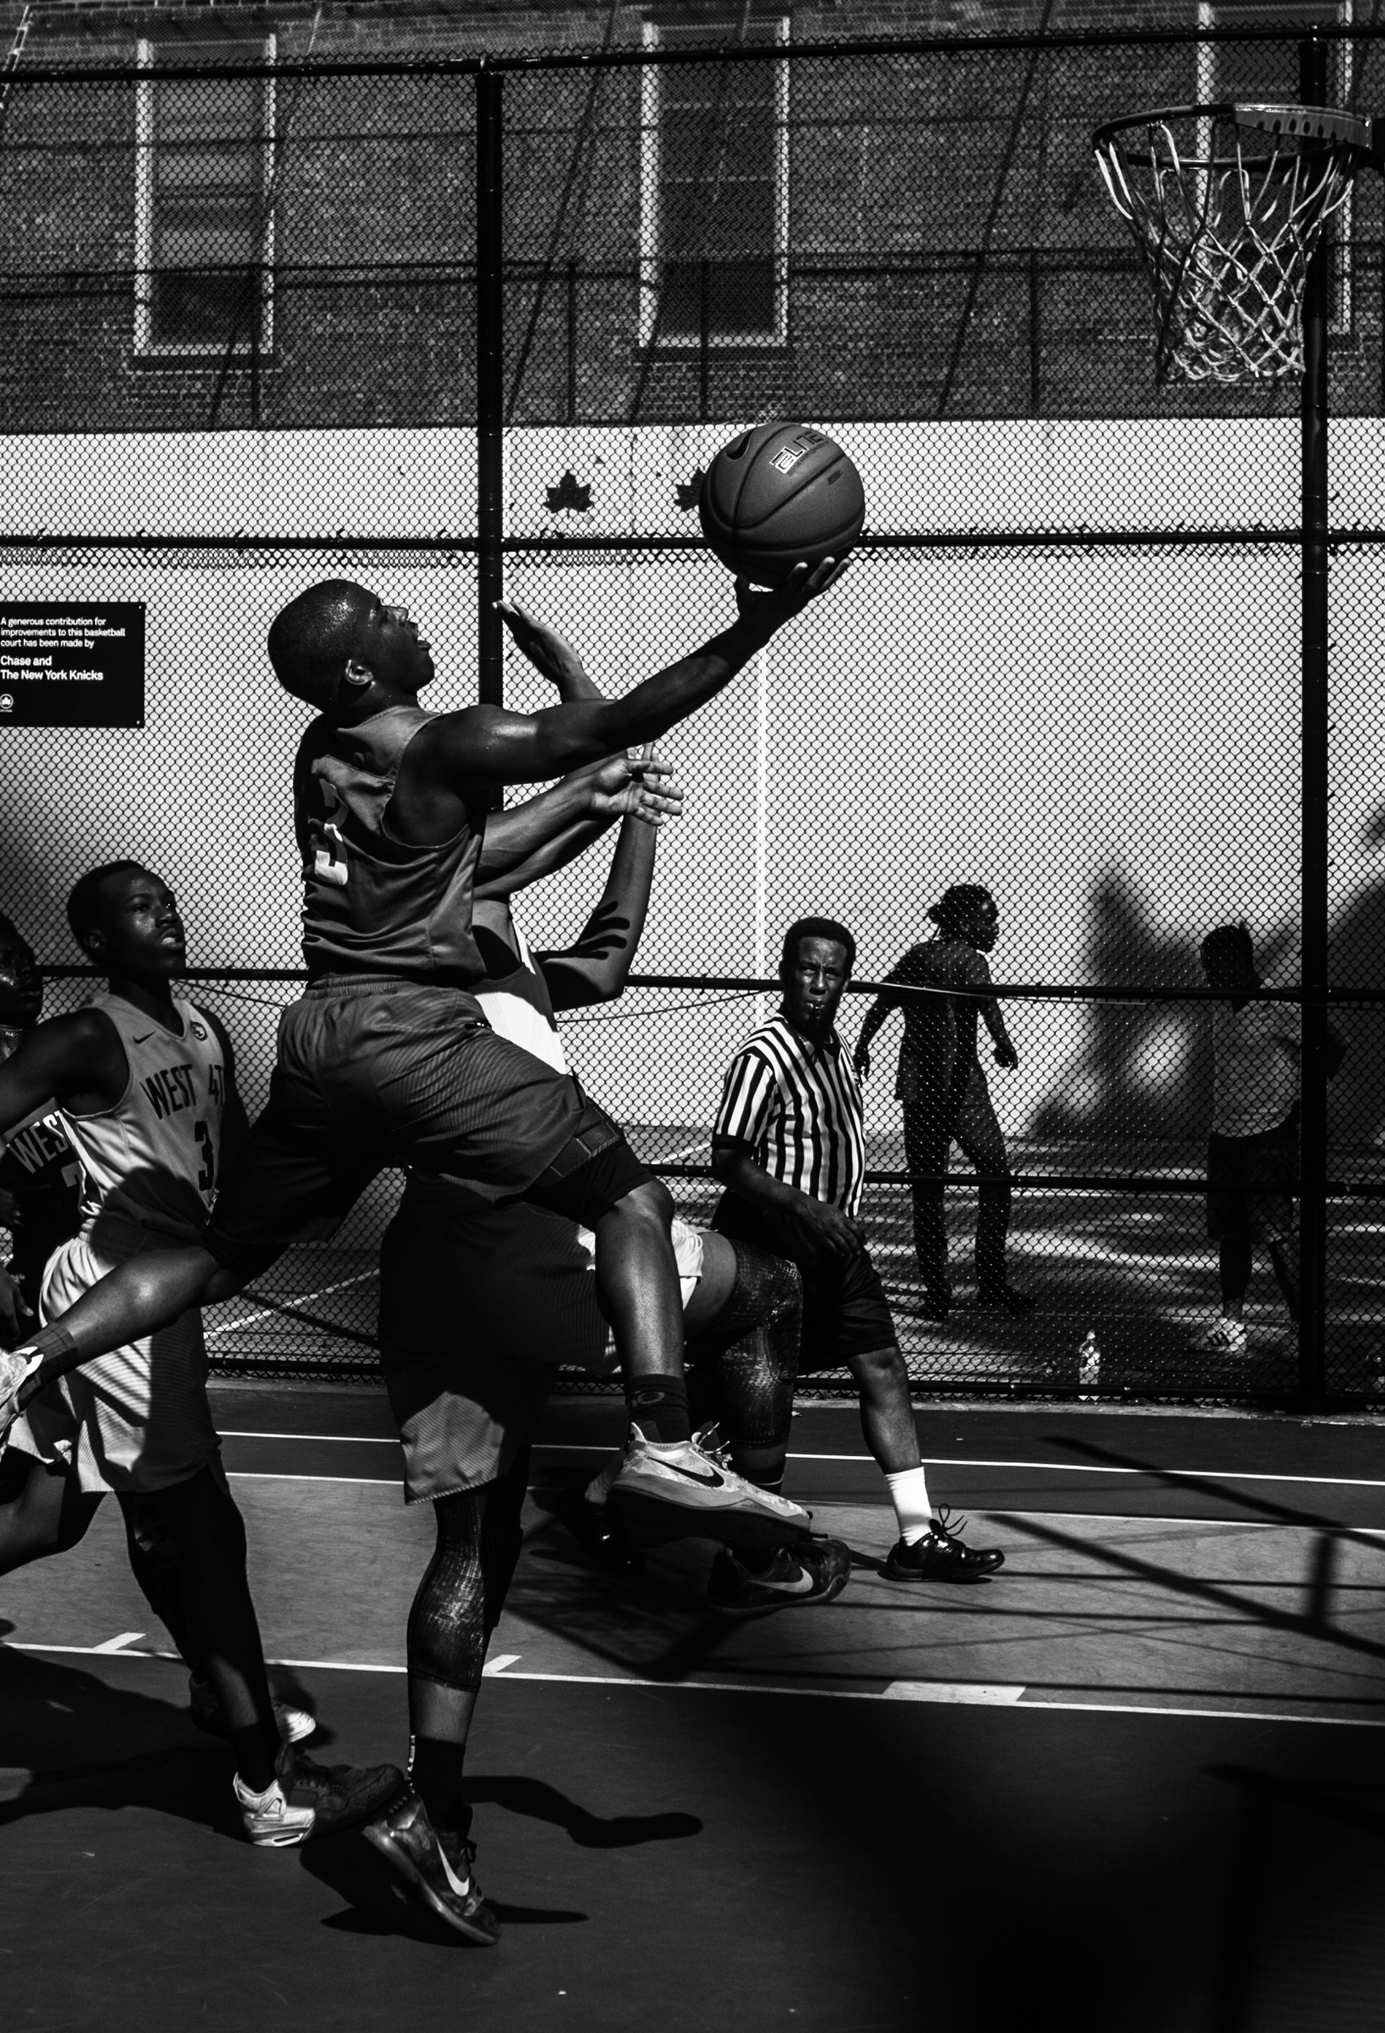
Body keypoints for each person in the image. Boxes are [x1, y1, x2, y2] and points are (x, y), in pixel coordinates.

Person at [0, 577, 843, 1552]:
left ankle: (25, 1360)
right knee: (633, 1201)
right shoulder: (441, 740)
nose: (410, 617)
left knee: (225, 1259)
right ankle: (660, 1436)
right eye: (386, 616)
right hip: (418, 1040)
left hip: (322, 1039)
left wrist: (586, 799)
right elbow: (612, 721)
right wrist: (757, 622)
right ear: (358, 665)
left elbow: (475, 855)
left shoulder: (325, 755)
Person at [0, 861, 400, 1856]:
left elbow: (226, 1173)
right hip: (109, 1298)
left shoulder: (201, 1029)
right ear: (98, 943)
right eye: (142, 908)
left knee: (43, 1514)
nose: (169, 916)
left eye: (170, 900)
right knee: (202, 1531)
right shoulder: (87, 1035)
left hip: (152, 1292)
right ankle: (265, 1776)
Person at [374, 796, 838, 1942]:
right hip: (525, 1239)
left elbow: (616, 949)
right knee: (768, 1286)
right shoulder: (446, 956)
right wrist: (599, 759)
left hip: (433, 1271)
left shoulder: (486, 967)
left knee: (472, 1548)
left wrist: (630, 799)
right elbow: (522, 857)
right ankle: (707, 1510)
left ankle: (433, 1806)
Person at [0, 910, 316, 1753]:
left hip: (105, 1289)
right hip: (47, 1297)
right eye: (1, 964)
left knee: (62, 1509)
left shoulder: (69, 1055)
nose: (24, 972)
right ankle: (229, 1699)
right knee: (142, 1510)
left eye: (25, 958)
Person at [722, 916, 1005, 1583]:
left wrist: (841, 1214)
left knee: (883, 1366)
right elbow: (729, 1157)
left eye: (832, 972)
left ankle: (915, 1534)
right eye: (807, 969)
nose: (818, 983)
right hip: (779, 1253)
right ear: (785, 973)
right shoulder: (765, 1054)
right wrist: (807, 1207)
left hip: (838, 1252)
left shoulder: (839, 1050)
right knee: (743, 1394)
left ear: (846, 979)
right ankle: (641, 1506)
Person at [856, 884, 1030, 1317]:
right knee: (996, 1178)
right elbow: (988, 1009)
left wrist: (864, 1045)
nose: (994, 926)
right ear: (965, 922)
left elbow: (881, 1005)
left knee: (927, 1193)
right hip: (962, 1089)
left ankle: (938, 1294)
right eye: (988, 919)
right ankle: (990, 1280)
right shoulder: (972, 961)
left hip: (921, 1087)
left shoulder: (917, 957)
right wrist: (1004, 1045)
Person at [1198, 922, 1344, 1355]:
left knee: (1277, 1237)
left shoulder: (1278, 1006)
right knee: (1231, 1235)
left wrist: (1305, 1100)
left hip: (1268, 1136)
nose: (1207, 978)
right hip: (1224, 1135)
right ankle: (1231, 1324)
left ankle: (1304, 1330)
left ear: (1238, 964)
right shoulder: (1219, 1004)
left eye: (1213, 968)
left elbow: (1333, 1045)